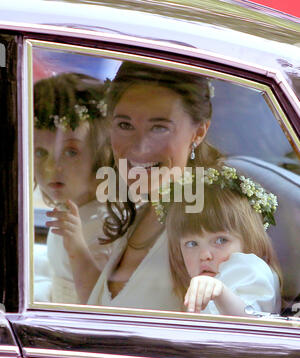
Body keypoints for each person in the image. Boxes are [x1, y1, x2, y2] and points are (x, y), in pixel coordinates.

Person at [87, 61, 223, 310]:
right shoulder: (142, 213)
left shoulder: (214, 222)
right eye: (125, 125)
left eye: (159, 127)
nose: (140, 147)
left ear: (199, 132)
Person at [34, 72, 113, 304]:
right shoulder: (71, 209)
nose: (51, 167)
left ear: (103, 155)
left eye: (70, 152)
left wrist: (77, 248)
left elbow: (105, 304)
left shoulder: (107, 227)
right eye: (40, 152)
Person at [165, 165, 282, 316]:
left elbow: (249, 321)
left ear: (248, 241)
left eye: (220, 240)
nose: (204, 255)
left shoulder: (249, 269)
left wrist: (221, 293)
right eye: (192, 244)